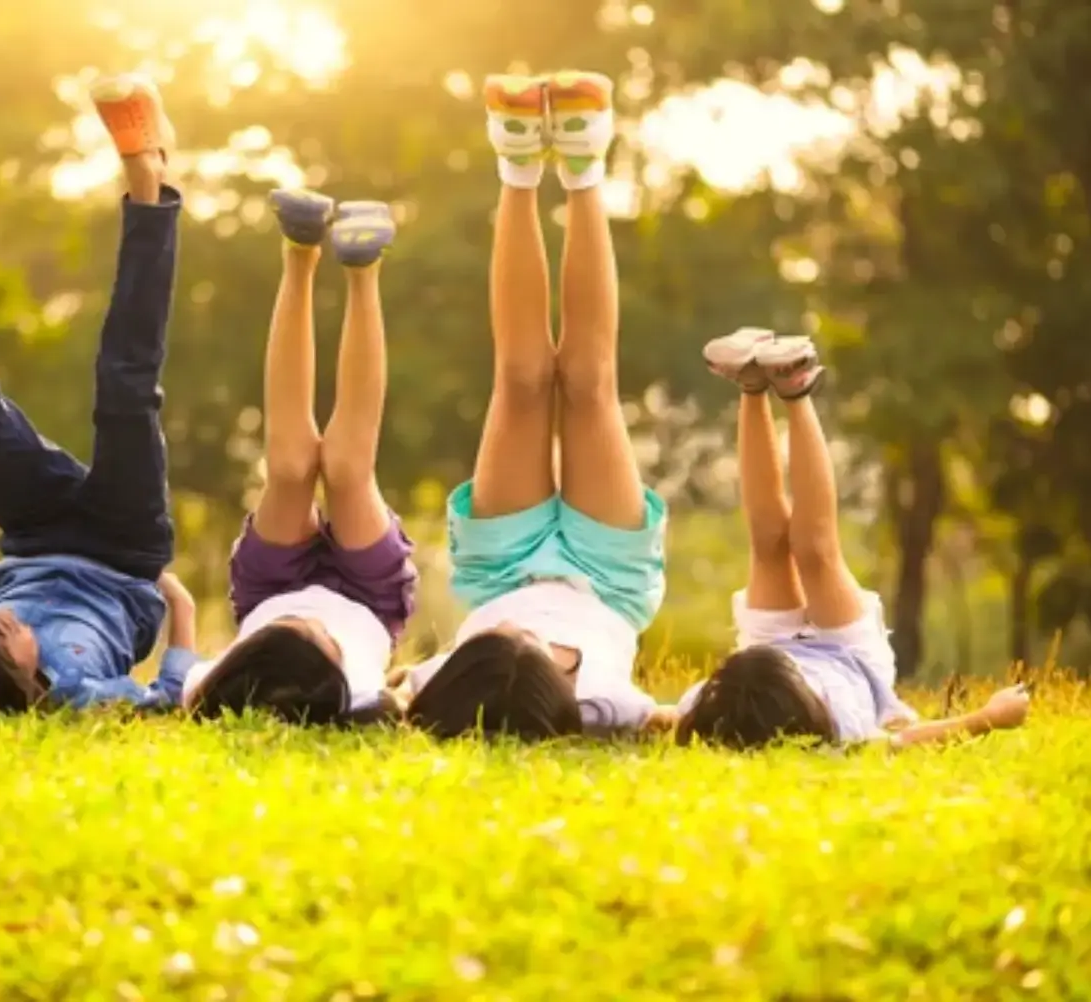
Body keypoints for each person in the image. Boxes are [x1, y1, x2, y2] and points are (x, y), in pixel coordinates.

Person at [0, 74, 197, 711]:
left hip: (33, 533)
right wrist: (179, 604)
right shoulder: (77, 696)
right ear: (10, 676)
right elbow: (171, 697)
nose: (1, 621)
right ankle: (148, 179)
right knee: (125, 388)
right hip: (126, 550)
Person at [397, 71, 669, 740]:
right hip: (609, 580)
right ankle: (582, 168)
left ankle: (518, 166)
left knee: (520, 379)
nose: (524, 635)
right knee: (586, 381)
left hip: (500, 571)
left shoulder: (439, 685)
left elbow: (372, 694)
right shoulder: (605, 703)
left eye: (501, 643)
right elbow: (682, 718)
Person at [661, 327, 1031, 748]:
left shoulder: (713, 710)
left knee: (768, 545)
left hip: (762, 663)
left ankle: (751, 383)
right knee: (815, 552)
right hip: (847, 655)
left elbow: (659, 715)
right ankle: (795, 390)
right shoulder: (838, 730)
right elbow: (907, 742)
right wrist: (990, 717)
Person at [182, 191, 417, 725]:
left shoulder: (214, 687)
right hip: (369, 596)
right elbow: (398, 703)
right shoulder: (354, 695)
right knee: (347, 470)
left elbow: (175, 686)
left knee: (289, 470)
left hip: (270, 586)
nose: (310, 625)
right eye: (317, 640)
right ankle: (363, 268)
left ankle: (300, 248)